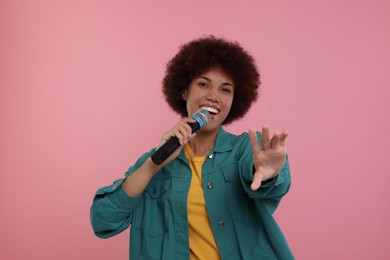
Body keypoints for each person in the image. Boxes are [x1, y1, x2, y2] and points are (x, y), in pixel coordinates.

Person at [90, 35, 294, 259]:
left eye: (225, 90)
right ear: (184, 90)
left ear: (235, 100)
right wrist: (153, 165)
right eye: (204, 84)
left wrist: (270, 173)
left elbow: (266, 175)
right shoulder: (158, 159)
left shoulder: (244, 149)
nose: (213, 96)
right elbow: (103, 220)